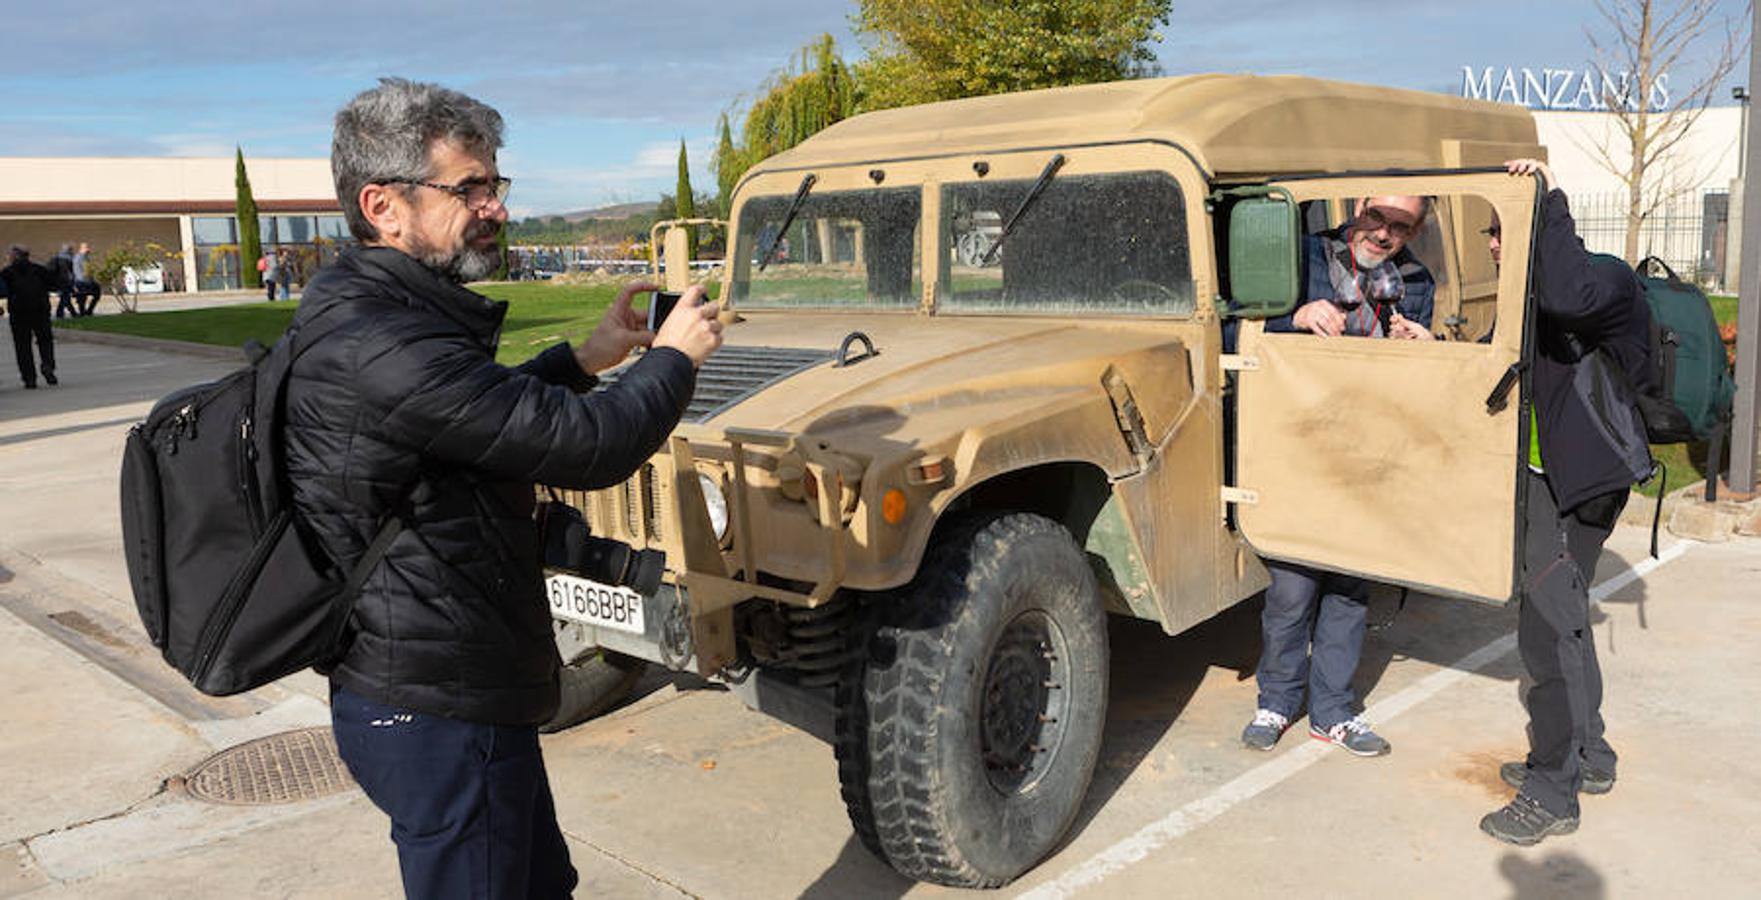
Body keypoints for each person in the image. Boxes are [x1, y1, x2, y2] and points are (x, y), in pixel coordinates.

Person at [286, 77, 722, 899]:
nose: (495, 207)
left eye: (496, 184)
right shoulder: (383, 343)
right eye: (469, 187)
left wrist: (585, 359)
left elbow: (472, 417)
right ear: (384, 206)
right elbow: (589, 449)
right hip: (436, 701)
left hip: (451, 682)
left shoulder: (375, 313)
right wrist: (673, 358)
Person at [1478, 158, 1651, 846]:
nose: (1493, 244)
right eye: (1489, 233)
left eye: (1504, 229)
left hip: (1579, 486)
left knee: (1547, 633)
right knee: (1563, 618)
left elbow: (1569, 301)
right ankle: (1590, 757)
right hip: (1551, 480)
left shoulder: (1601, 280)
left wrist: (1544, 198)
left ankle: (1552, 792)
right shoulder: (1532, 296)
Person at [1241, 195, 1435, 758]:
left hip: (1367, 452)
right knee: (1291, 590)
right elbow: (1232, 333)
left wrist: (1423, 349)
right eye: (1378, 217)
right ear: (1357, 207)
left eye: (1402, 226)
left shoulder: (1415, 279)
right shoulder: (1299, 255)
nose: (1385, 233)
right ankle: (1275, 700)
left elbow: (1420, 381)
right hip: (1297, 446)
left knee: (1349, 590)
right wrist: (1292, 317)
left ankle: (1333, 712)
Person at [2, 245, 58, 388]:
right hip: (40, 310)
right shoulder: (39, 270)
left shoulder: (7, 272)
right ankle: (48, 365)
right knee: (45, 341)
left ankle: (29, 378)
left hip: (19, 313)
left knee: (22, 346)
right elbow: (54, 284)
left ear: (14, 256)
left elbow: (2, 291)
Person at [72, 242, 101, 315]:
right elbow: (86, 270)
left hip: (85, 281)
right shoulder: (80, 258)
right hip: (82, 281)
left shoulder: (84, 257)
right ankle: (84, 312)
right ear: (82, 249)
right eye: (87, 249)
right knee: (83, 297)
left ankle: (88, 311)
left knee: (96, 293)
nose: (88, 250)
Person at [50, 245, 77, 319]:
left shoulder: (56, 257)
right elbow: (69, 272)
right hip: (65, 281)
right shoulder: (68, 259)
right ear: (69, 250)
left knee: (65, 297)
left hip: (59, 281)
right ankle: (64, 313)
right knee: (65, 297)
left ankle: (69, 312)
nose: (72, 251)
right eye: (71, 250)